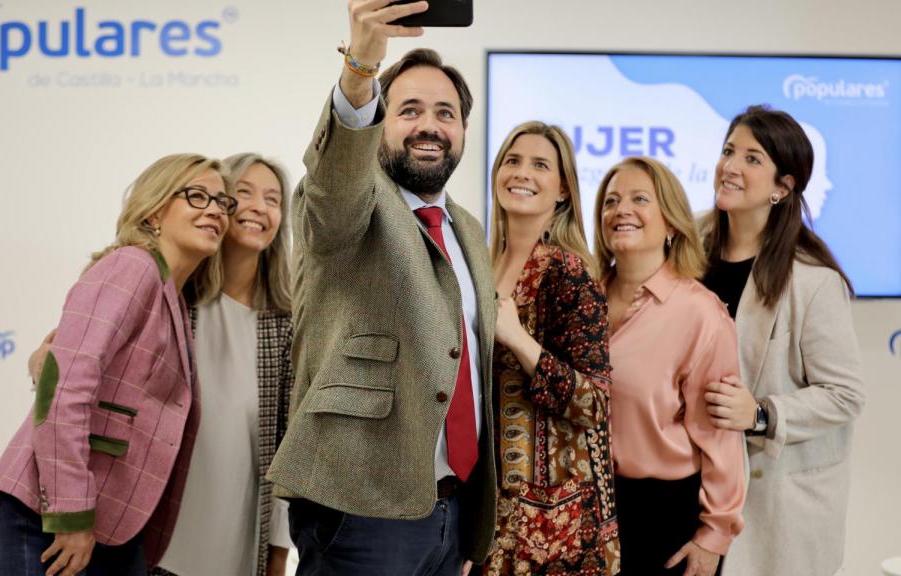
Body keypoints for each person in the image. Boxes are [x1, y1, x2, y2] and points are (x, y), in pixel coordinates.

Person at [265, 1, 498, 574]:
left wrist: (466, 522)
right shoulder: (352, 204)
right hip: (361, 507)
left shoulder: (467, 229)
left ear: (463, 130)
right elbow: (337, 175)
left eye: (446, 113)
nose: (429, 125)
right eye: (409, 110)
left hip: (449, 508)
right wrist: (363, 63)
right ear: (380, 124)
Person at [0, 154, 234, 576]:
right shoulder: (131, 267)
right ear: (155, 210)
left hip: (110, 530)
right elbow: (64, 389)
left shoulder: (171, 297)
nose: (214, 209)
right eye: (197, 196)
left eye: (223, 202)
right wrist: (71, 515)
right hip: (47, 519)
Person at [700, 106, 865, 576]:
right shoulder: (686, 243)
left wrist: (761, 413)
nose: (730, 166)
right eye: (729, 151)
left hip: (778, 507)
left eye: (752, 159)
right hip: (693, 491)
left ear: (782, 187)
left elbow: (845, 395)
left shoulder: (813, 281)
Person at [593, 157, 745, 576]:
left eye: (640, 199)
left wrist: (713, 537)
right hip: (586, 509)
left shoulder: (700, 313)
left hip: (663, 517)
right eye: (611, 201)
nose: (621, 209)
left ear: (673, 224)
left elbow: (720, 438)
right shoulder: (583, 299)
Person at [482, 121, 619, 576]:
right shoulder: (480, 263)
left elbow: (593, 403)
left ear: (562, 189)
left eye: (540, 165)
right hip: (489, 511)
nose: (522, 173)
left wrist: (518, 338)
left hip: (553, 527)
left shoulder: (568, 271)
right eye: (512, 160)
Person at [149, 153, 295, 576]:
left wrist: (278, 557)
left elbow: (289, 451)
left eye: (272, 198)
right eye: (242, 193)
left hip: (238, 546)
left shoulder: (285, 327)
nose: (258, 207)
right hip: (154, 543)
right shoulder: (175, 301)